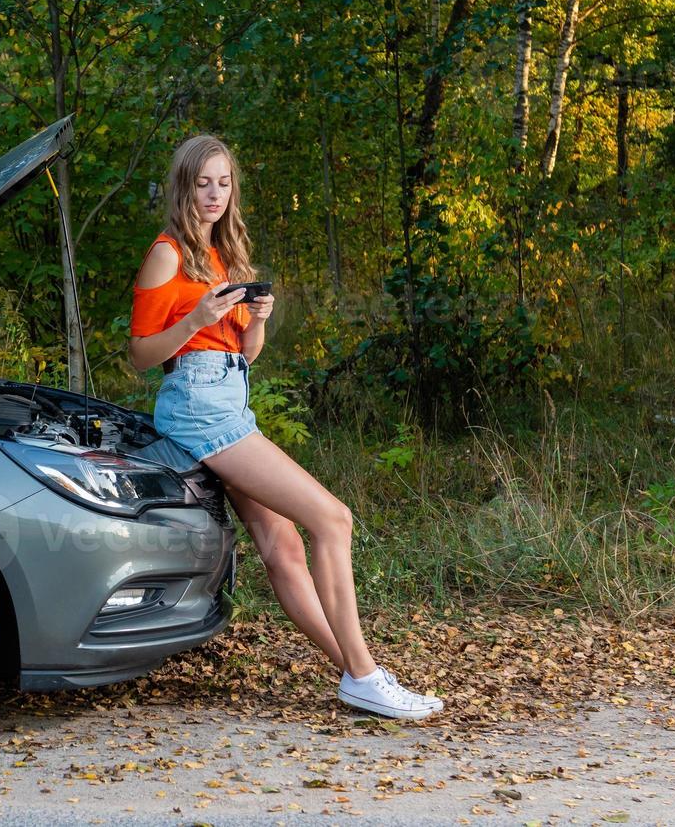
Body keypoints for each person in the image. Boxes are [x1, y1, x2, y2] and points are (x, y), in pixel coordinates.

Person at [128, 133, 444, 721]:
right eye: (203, 183)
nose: (214, 194)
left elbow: (242, 356)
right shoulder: (167, 253)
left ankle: (358, 674)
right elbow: (142, 355)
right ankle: (365, 674)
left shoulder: (227, 253)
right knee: (333, 518)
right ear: (183, 187)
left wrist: (258, 323)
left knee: (284, 547)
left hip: (229, 398)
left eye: (224, 182)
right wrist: (197, 315)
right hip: (199, 408)